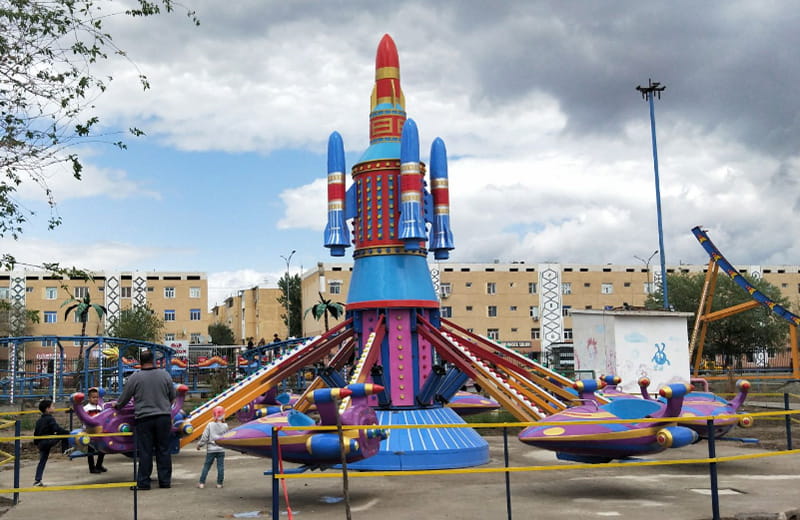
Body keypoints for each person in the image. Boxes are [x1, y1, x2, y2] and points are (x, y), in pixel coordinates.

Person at [114, 350, 176, 490]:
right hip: (163, 417)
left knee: (145, 450)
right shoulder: (164, 375)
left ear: (139, 361)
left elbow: (124, 398)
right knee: (164, 449)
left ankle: (143, 482)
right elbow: (172, 395)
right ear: (153, 359)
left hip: (144, 418)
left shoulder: (135, 378)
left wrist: (117, 406)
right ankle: (165, 482)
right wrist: (164, 406)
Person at [33, 398, 71, 487]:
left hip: (40, 443)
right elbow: (56, 429)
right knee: (64, 435)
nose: (54, 408)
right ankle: (65, 450)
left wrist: (36, 443)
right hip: (47, 441)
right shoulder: (50, 419)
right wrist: (67, 432)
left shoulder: (39, 420)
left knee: (42, 461)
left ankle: (37, 480)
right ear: (47, 409)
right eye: (52, 406)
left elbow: (36, 432)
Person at [196, 405, 229, 489]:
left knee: (206, 466)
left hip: (211, 450)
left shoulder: (210, 425)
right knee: (220, 467)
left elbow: (205, 437)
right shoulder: (225, 426)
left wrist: (199, 445)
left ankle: (201, 483)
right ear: (223, 415)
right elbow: (227, 437)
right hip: (221, 449)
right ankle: (219, 484)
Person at [83, 387, 107, 474]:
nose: (95, 399)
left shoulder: (100, 408)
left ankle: (99, 465)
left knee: (102, 449)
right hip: (90, 432)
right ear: (89, 398)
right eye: (93, 397)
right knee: (91, 450)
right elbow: (84, 420)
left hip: (100, 432)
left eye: (97, 397)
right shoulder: (86, 408)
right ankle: (91, 467)